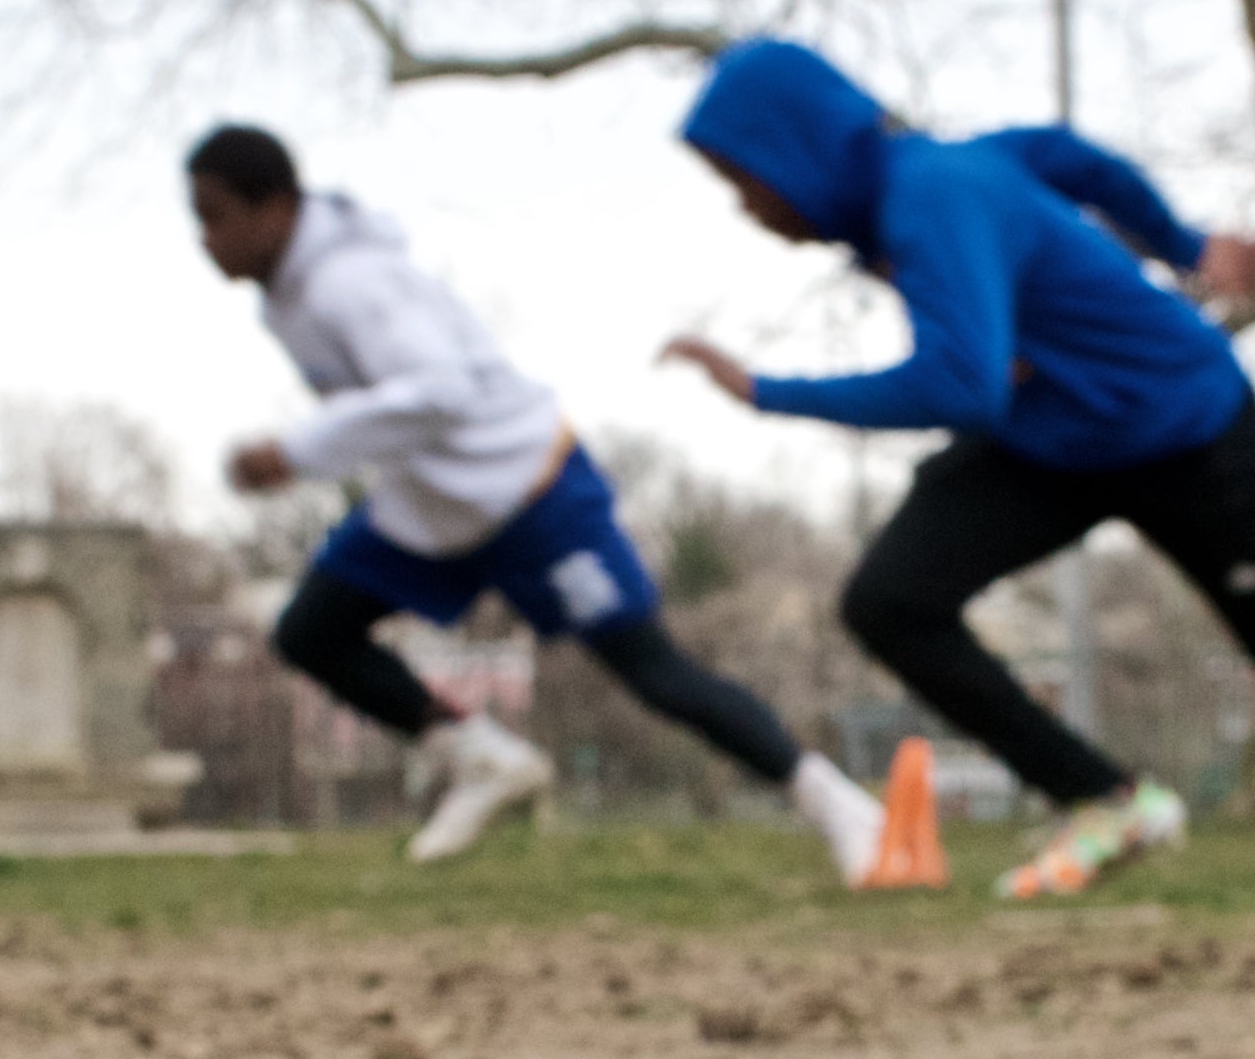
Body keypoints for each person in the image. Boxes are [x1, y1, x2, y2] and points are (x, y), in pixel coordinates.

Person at [656, 39, 1255, 896]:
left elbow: (963, 385)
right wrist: (1182, 242)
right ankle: (1105, 801)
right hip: (1062, 441)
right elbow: (1066, 155)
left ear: (800, 148)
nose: (749, 207)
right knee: (892, 598)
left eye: (747, 180)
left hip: (1184, 433)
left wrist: (764, 391)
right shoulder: (935, 179)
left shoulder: (931, 199)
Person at [186, 123, 887, 876]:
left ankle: (841, 806)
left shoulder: (350, 283)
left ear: (276, 209)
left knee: (654, 672)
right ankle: (478, 756)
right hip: (431, 507)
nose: (205, 238)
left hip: (530, 486)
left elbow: (442, 391)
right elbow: (394, 414)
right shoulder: (285, 301)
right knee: (311, 632)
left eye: (215, 214)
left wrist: (296, 451)